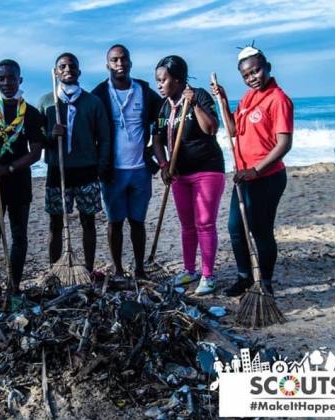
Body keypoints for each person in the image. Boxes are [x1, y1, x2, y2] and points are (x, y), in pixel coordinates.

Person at [211, 46, 293, 297]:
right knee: (235, 228)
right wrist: (223, 101)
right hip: (244, 177)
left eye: (255, 71)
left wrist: (256, 171)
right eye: (246, 75)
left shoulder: (278, 99)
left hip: (266, 177)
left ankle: (265, 283)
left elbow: (284, 144)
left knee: (260, 230)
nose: (252, 78)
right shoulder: (248, 98)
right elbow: (233, 130)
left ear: (267, 67)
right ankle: (244, 277)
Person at [0, 59, 45, 308]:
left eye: (11, 78)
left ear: (19, 79)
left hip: (19, 184)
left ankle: (14, 286)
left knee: (19, 236)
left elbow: (36, 152)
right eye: (1, 78)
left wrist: (9, 168)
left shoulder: (30, 113)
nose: (6, 83)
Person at [153, 55, 225, 295]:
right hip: (179, 175)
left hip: (207, 170)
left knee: (205, 223)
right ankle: (189, 270)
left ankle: (208, 275)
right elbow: (157, 140)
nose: (159, 85)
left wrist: (193, 104)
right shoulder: (164, 107)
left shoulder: (199, 95)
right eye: (157, 80)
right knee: (187, 225)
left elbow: (211, 128)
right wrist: (164, 165)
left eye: (163, 80)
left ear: (177, 79)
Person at [91, 44, 162, 281]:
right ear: (107, 65)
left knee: (137, 222)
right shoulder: (99, 94)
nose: (120, 64)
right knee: (115, 222)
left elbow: (164, 117)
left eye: (123, 59)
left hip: (140, 169)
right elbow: (89, 129)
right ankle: (118, 270)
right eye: (114, 60)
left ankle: (139, 269)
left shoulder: (144, 91)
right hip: (112, 171)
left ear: (130, 62)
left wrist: (154, 149)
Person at [38, 53, 111, 275]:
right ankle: (55, 271)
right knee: (56, 224)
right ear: (56, 72)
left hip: (86, 171)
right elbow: (37, 139)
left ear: (79, 71)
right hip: (57, 170)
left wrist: (100, 167)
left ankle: (88, 269)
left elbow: (104, 137)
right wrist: (51, 135)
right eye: (62, 66)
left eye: (72, 66)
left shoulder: (92, 102)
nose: (68, 69)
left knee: (88, 222)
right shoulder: (46, 101)